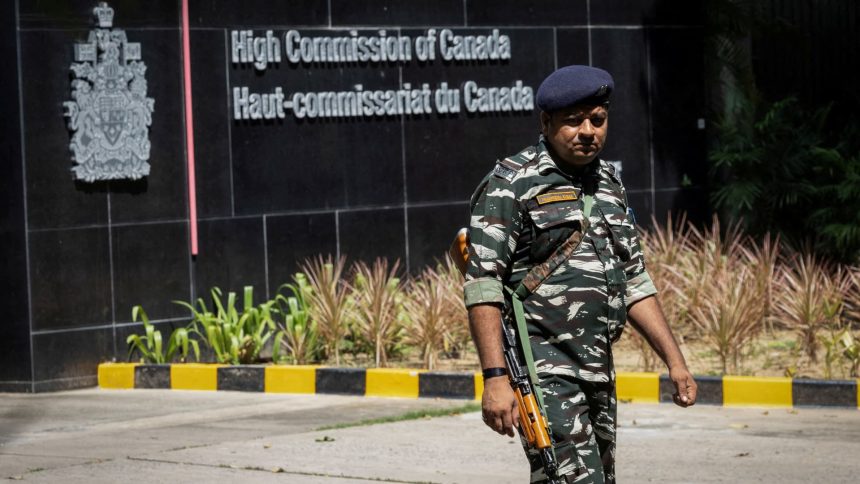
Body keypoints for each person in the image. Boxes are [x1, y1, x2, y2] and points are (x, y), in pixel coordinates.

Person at [463, 65, 698, 484]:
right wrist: (495, 378)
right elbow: (484, 286)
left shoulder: (608, 183)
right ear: (546, 122)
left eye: (598, 120)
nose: (588, 131)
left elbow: (634, 280)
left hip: (598, 367)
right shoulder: (511, 183)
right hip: (542, 368)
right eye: (574, 121)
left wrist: (675, 362)